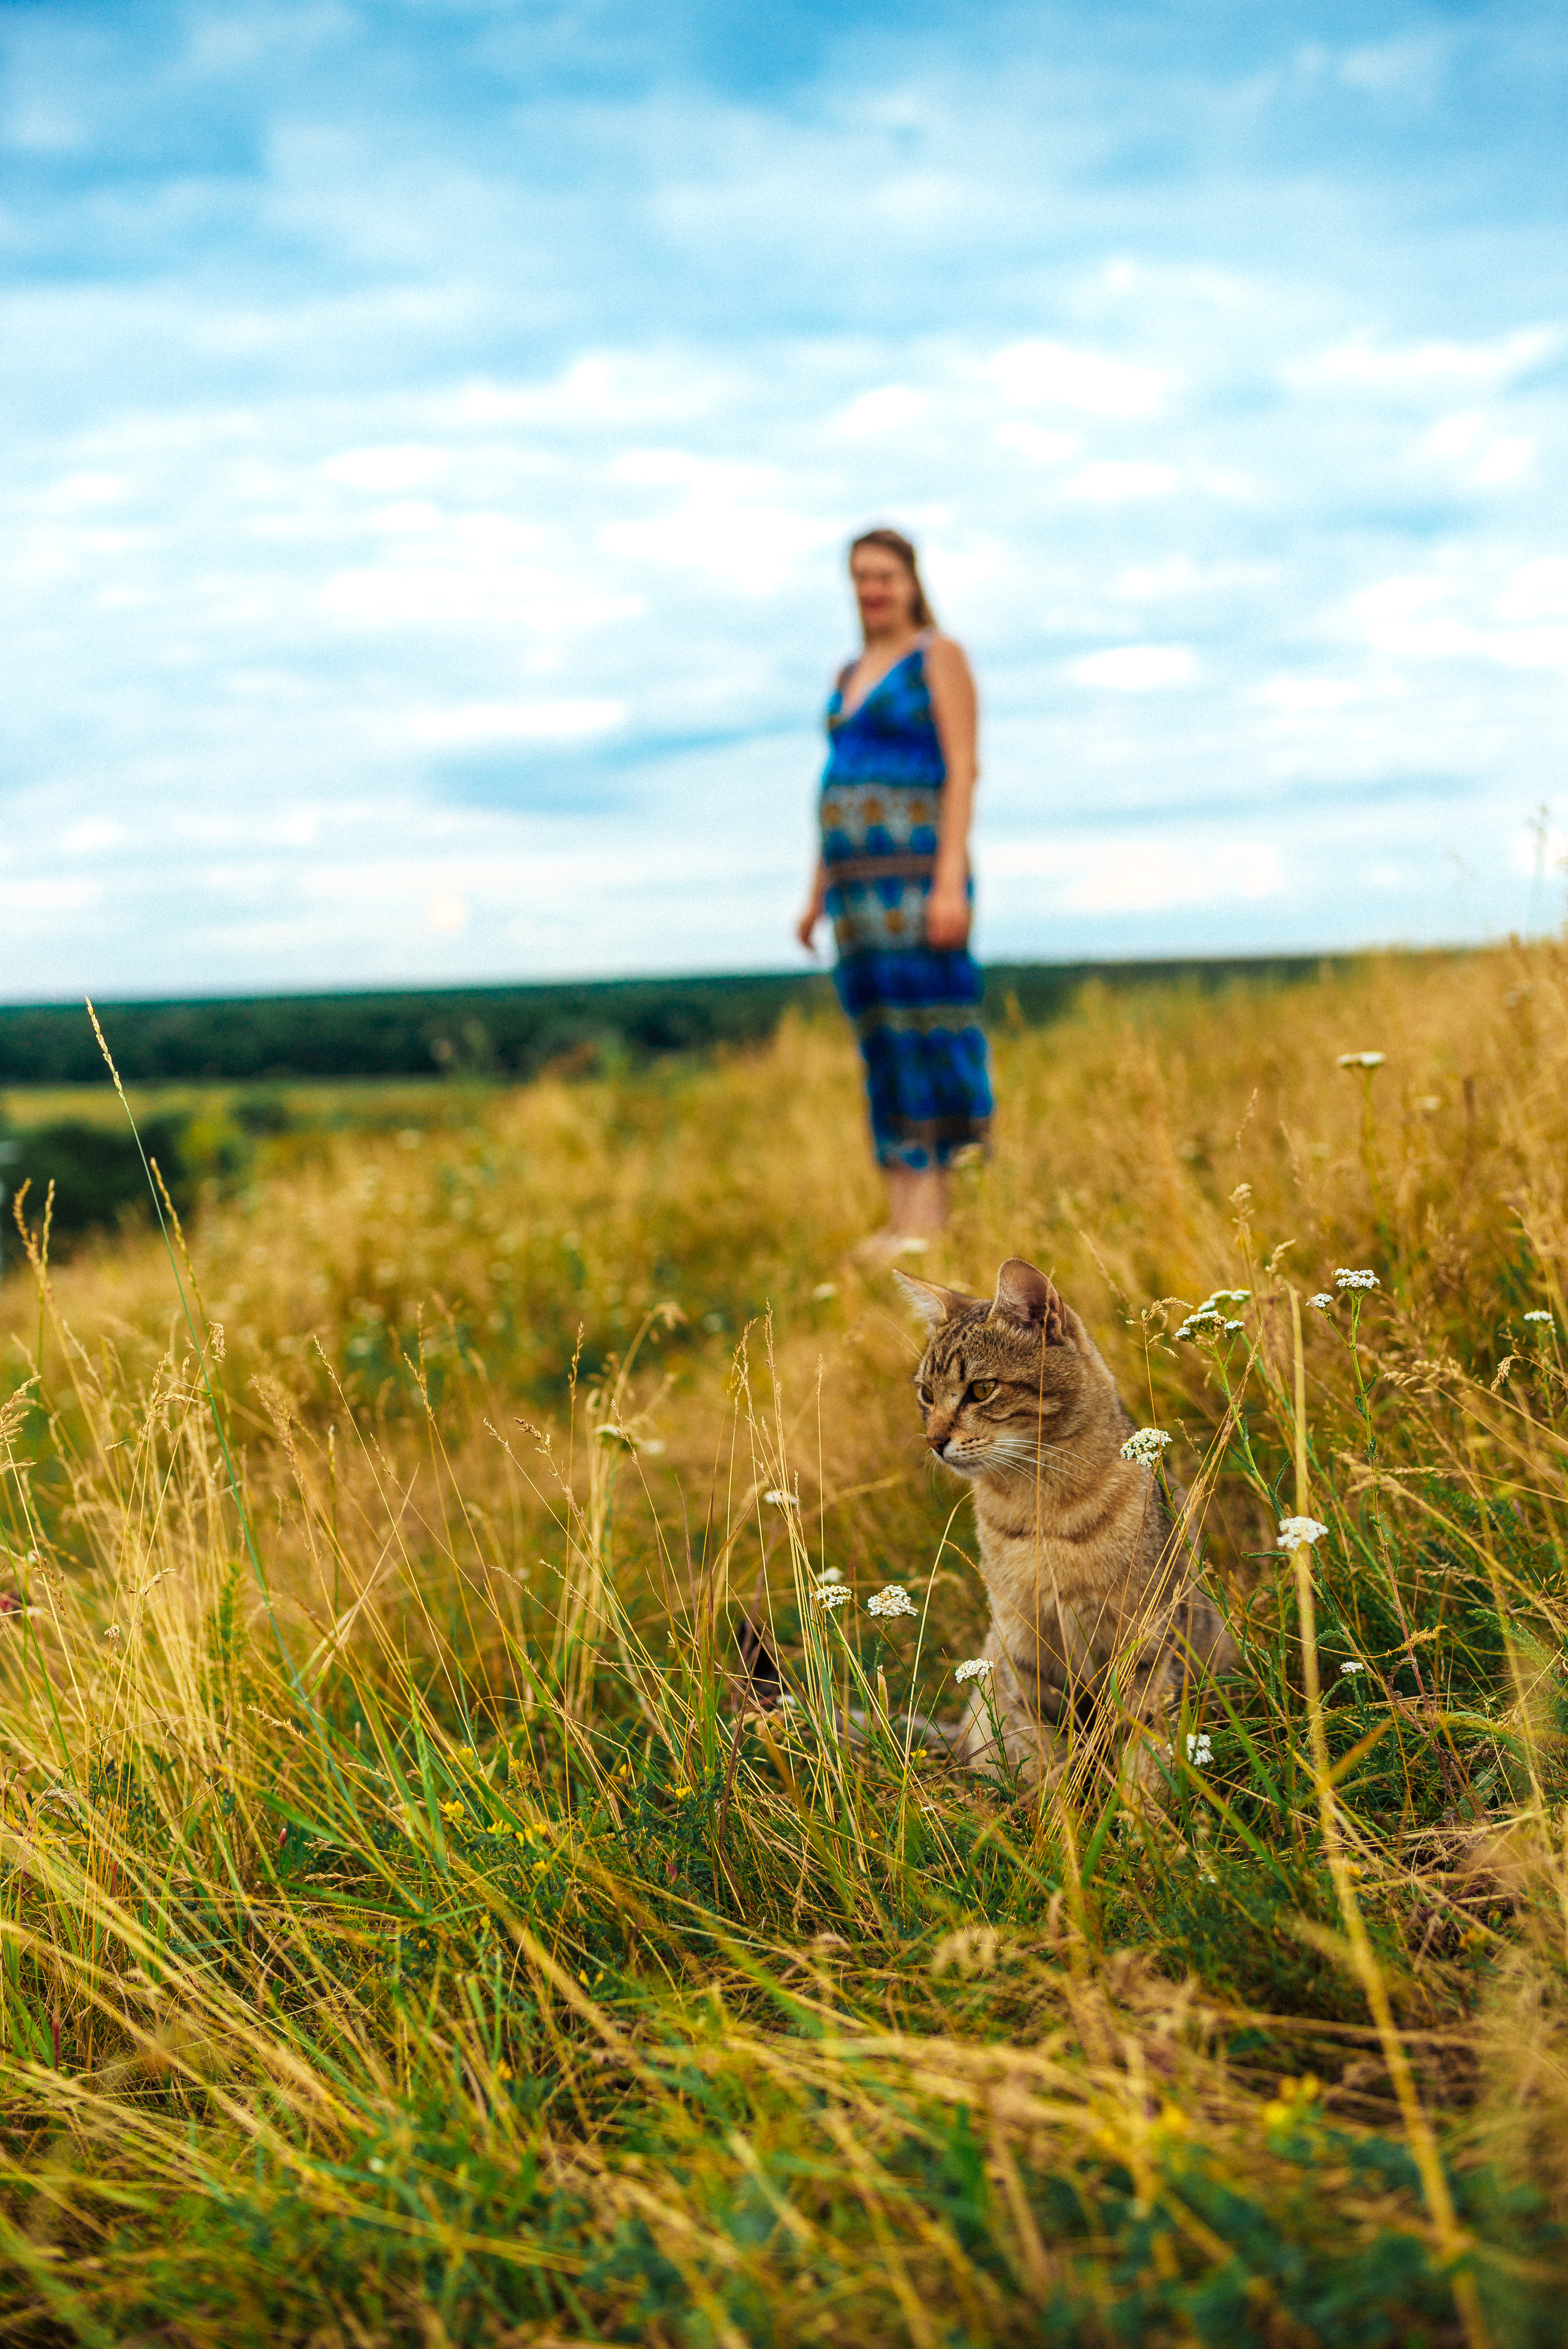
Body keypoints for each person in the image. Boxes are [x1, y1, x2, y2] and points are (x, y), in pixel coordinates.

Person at [797, 528, 994, 1243]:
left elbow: (963, 767)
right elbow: (835, 784)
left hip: (916, 879)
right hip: (855, 893)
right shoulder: (847, 671)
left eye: (884, 575)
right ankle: (900, 1213)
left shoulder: (938, 656)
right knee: (880, 1041)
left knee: (929, 1034)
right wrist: (815, 893)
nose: (872, 589)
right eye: (860, 577)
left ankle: (936, 1216)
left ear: (911, 581)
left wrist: (949, 883)